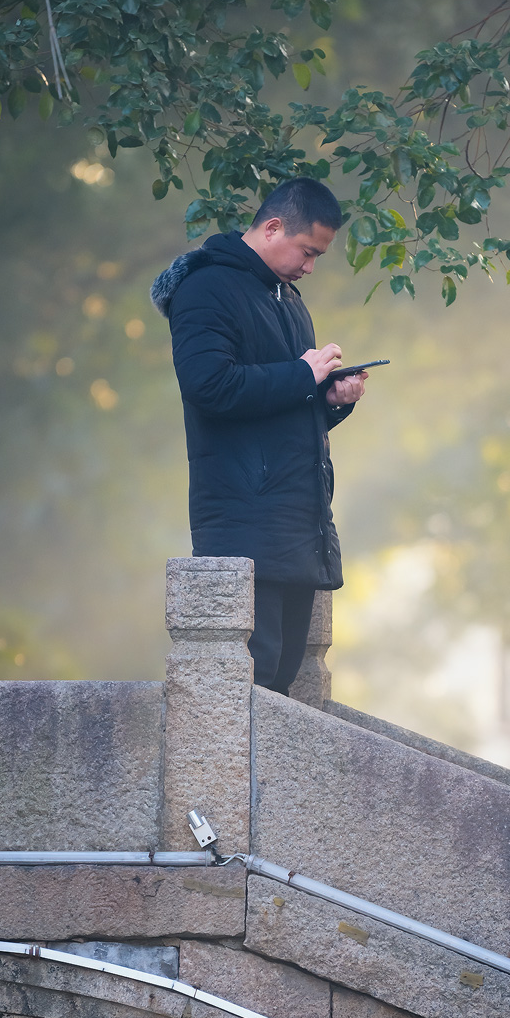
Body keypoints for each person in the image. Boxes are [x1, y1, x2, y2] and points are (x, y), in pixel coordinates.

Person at [151, 178, 369, 693]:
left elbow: (284, 403)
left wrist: (329, 400)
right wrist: (302, 375)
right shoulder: (206, 288)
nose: (311, 266)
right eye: (308, 251)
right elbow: (210, 388)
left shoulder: (289, 299)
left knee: (283, 685)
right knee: (251, 683)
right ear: (273, 228)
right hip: (243, 524)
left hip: (298, 524)